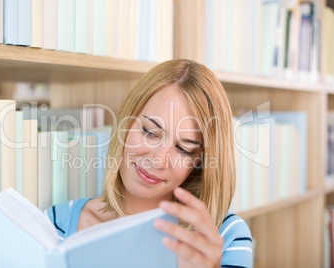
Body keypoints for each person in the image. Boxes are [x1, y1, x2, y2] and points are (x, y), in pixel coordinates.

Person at [46, 59, 252, 267]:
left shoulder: (226, 237)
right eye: (149, 132)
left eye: (183, 149)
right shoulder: (56, 225)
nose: (159, 160)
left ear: (199, 161)